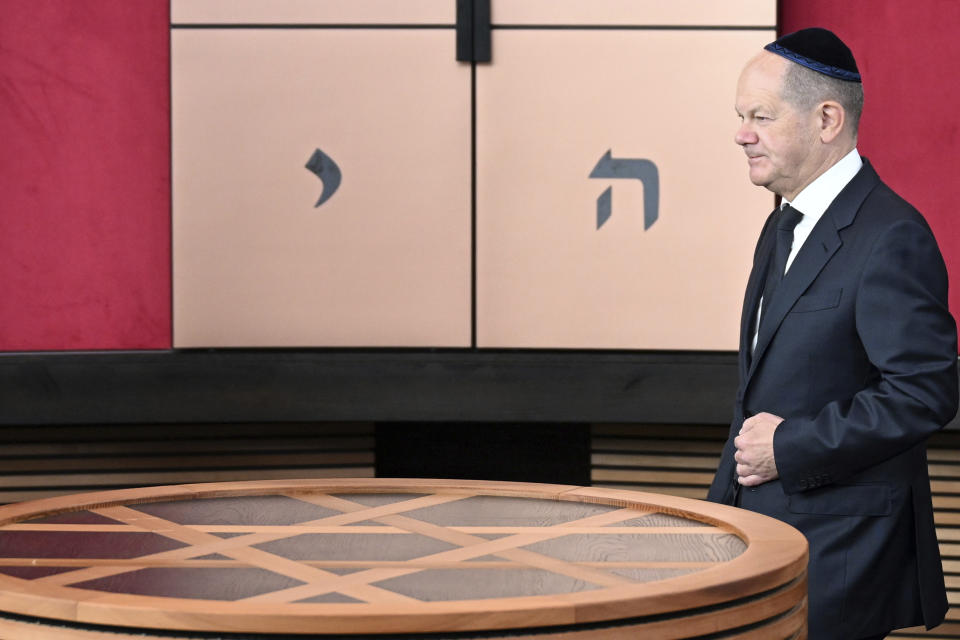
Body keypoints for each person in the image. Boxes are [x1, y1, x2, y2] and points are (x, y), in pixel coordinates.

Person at [707, 27, 958, 640]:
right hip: (760, 542)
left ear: (826, 119)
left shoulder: (892, 235)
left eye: (761, 116)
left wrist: (788, 448)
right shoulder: (781, 223)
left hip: (839, 554)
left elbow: (926, 394)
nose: (742, 133)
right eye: (741, 116)